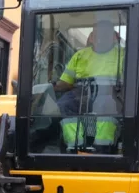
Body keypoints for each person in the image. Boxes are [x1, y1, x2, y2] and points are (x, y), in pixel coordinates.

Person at [52, 18, 125, 151]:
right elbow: (66, 82)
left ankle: (102, 146)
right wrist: (53, 86)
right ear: (91, 37)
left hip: (111, 93)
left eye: (104, 34)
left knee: (105, 105)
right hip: (82, 93)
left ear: (114, 37)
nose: (99, 38)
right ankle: (75, 145)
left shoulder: (122, 55)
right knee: (64, 104)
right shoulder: (80, 55)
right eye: (96, 34)